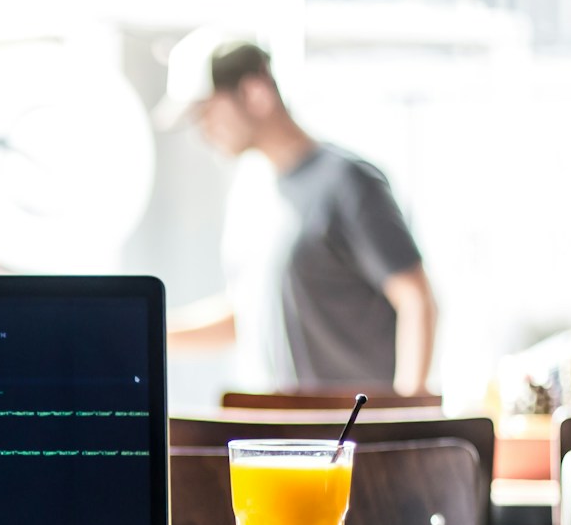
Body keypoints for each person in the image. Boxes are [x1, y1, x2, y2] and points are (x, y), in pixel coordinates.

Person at [169, 41, 438, 397]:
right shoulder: (251, 193)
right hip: (280, 437)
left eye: (206, 111)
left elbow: (415, 299)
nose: (203, 130)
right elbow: (247, 312)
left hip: (350, 438)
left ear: (255, 92)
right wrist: (146, 332)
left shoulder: (347, 182)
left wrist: (402, 420)